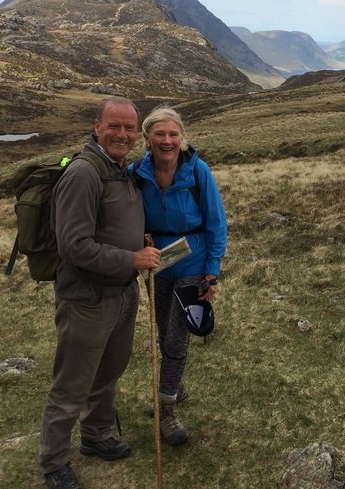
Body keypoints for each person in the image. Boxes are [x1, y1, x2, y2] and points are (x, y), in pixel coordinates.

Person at [36, 97, 161, 489]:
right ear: (96, 126)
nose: (122, 134)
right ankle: (53, 463)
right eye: (114, 126)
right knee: (72, 384)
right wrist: (132, 258)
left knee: (108, 372)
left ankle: (95, 435)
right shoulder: (83, 174)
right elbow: (74, 247)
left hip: (123, 294)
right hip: (87, 299)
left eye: (129, 128)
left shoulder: (122, 170)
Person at [130, 106, 228, 446]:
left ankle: (167, 409)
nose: (167, 140)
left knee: (175, 337)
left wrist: (211, 273)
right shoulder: (135, 173)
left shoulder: (198, 171)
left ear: (182, 137)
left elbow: (216, 223)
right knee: (162, 329)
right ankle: (176, 385)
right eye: (160, 134)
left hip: (193, 262)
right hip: (156, 264)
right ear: (147, 139)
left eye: (173, 134)